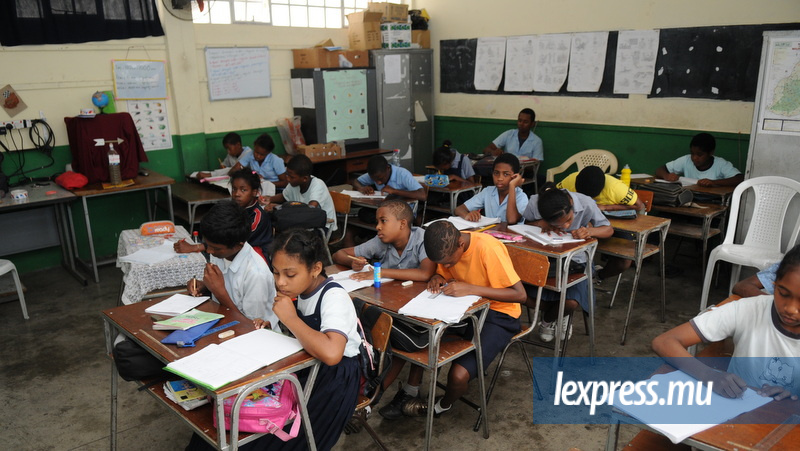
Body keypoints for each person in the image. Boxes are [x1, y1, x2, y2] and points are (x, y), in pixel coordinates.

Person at [377, 220, 527, 419]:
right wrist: (437, 277)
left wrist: (471, 288)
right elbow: (443, 272)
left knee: (457, 376)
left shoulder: (488, 248)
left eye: (448, 262)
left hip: (499, 315)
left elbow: (520, 295)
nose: (446, 265)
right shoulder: (445, 245)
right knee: (422, 338)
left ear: (461, 245)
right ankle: (410, 391)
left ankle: (440, 407)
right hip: (464, 310)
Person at [652, 245, 800, 401]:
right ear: (773, 283)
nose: (790, 309)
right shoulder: (750, 309)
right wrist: (708, 375)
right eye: (783, 293)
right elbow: (664, 342)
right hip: (733, 405)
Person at [522, 183, 613, 341]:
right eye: (557, 224)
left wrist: (589, 231)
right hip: (544, 259)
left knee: (570, 302)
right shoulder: (535, 203)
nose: (566, 226)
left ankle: (549, 319)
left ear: (571, 205)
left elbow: (608, 229)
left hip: (576, 262)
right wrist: (540, 224)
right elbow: (523, 225)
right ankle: (558, 313)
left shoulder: (585, 203)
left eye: (569, 219)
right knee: (519, 293)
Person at [185, 200, 278, 331]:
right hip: (222, 324)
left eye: (215, 248)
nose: (209, 251)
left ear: (238, 245)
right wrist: (205, 286)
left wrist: (219, 292)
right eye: (207, 245)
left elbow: (251, 328)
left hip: (252, 336)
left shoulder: (256, 275)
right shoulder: (221, 251)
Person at [557, 165, 645, 281]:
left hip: (615, 223)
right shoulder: (569, 181)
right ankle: (579, 273)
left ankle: (598, 276)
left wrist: (607, 207)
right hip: (583, 224)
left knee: (624, 260)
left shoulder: (616, 189)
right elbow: (552, 199)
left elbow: (639, 206)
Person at [174, 170, 272, 261]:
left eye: (243, 190)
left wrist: (195, 247)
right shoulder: (233, 207)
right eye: (234, 189)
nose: (236, 194)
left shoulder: (257, 217)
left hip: (253, 258)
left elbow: (231, 242)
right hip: (231, 252)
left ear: (254, 192)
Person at [332, 200, 435, 282]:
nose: (378, 227)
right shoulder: (380, 241)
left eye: (383, 221)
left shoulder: (422, 238)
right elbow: (338, 254)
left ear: (402, 224)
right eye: (377, 222)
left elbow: (425, 273)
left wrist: (380, 272)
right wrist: (352, 262)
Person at [266, 154, 337, 233]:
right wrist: (269, 199)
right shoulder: (293, 184)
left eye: (292, 177)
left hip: (323, 226)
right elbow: (283, 196)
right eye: (287, 175)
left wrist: (279, 207)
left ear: (304, 178)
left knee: (286, 234)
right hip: (304, 222)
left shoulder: (317, 185)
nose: (288, 179)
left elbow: (310, 210)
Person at [454, 152, 528, 224]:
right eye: (496, 173)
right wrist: (467, 215)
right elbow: (458, 209)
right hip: (490, 231)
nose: (500, 178)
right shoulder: (488, 192)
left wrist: (512, 186)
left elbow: (511, 220)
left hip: (510, 232)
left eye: (506, 174)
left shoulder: (521, 197)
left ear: (515, 176)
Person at [655, 132, 744, 187]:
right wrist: (666, 176)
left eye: (700, 155)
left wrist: (713, 182)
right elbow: (660, 169)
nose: (694, 158)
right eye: (692, 153)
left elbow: (740, 178)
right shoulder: (686, 160)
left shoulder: (721, 164)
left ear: (711, 153)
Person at [353, 155, 427, 202]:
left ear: (388, 168)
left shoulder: (402, 174)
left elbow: (422, 195)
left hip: (404, 210)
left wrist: (394, 191)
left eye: (381, 178)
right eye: (374, 180)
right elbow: (355, 181)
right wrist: (361, 188)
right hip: (385, 207)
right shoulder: (375, 174)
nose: (378, 182)